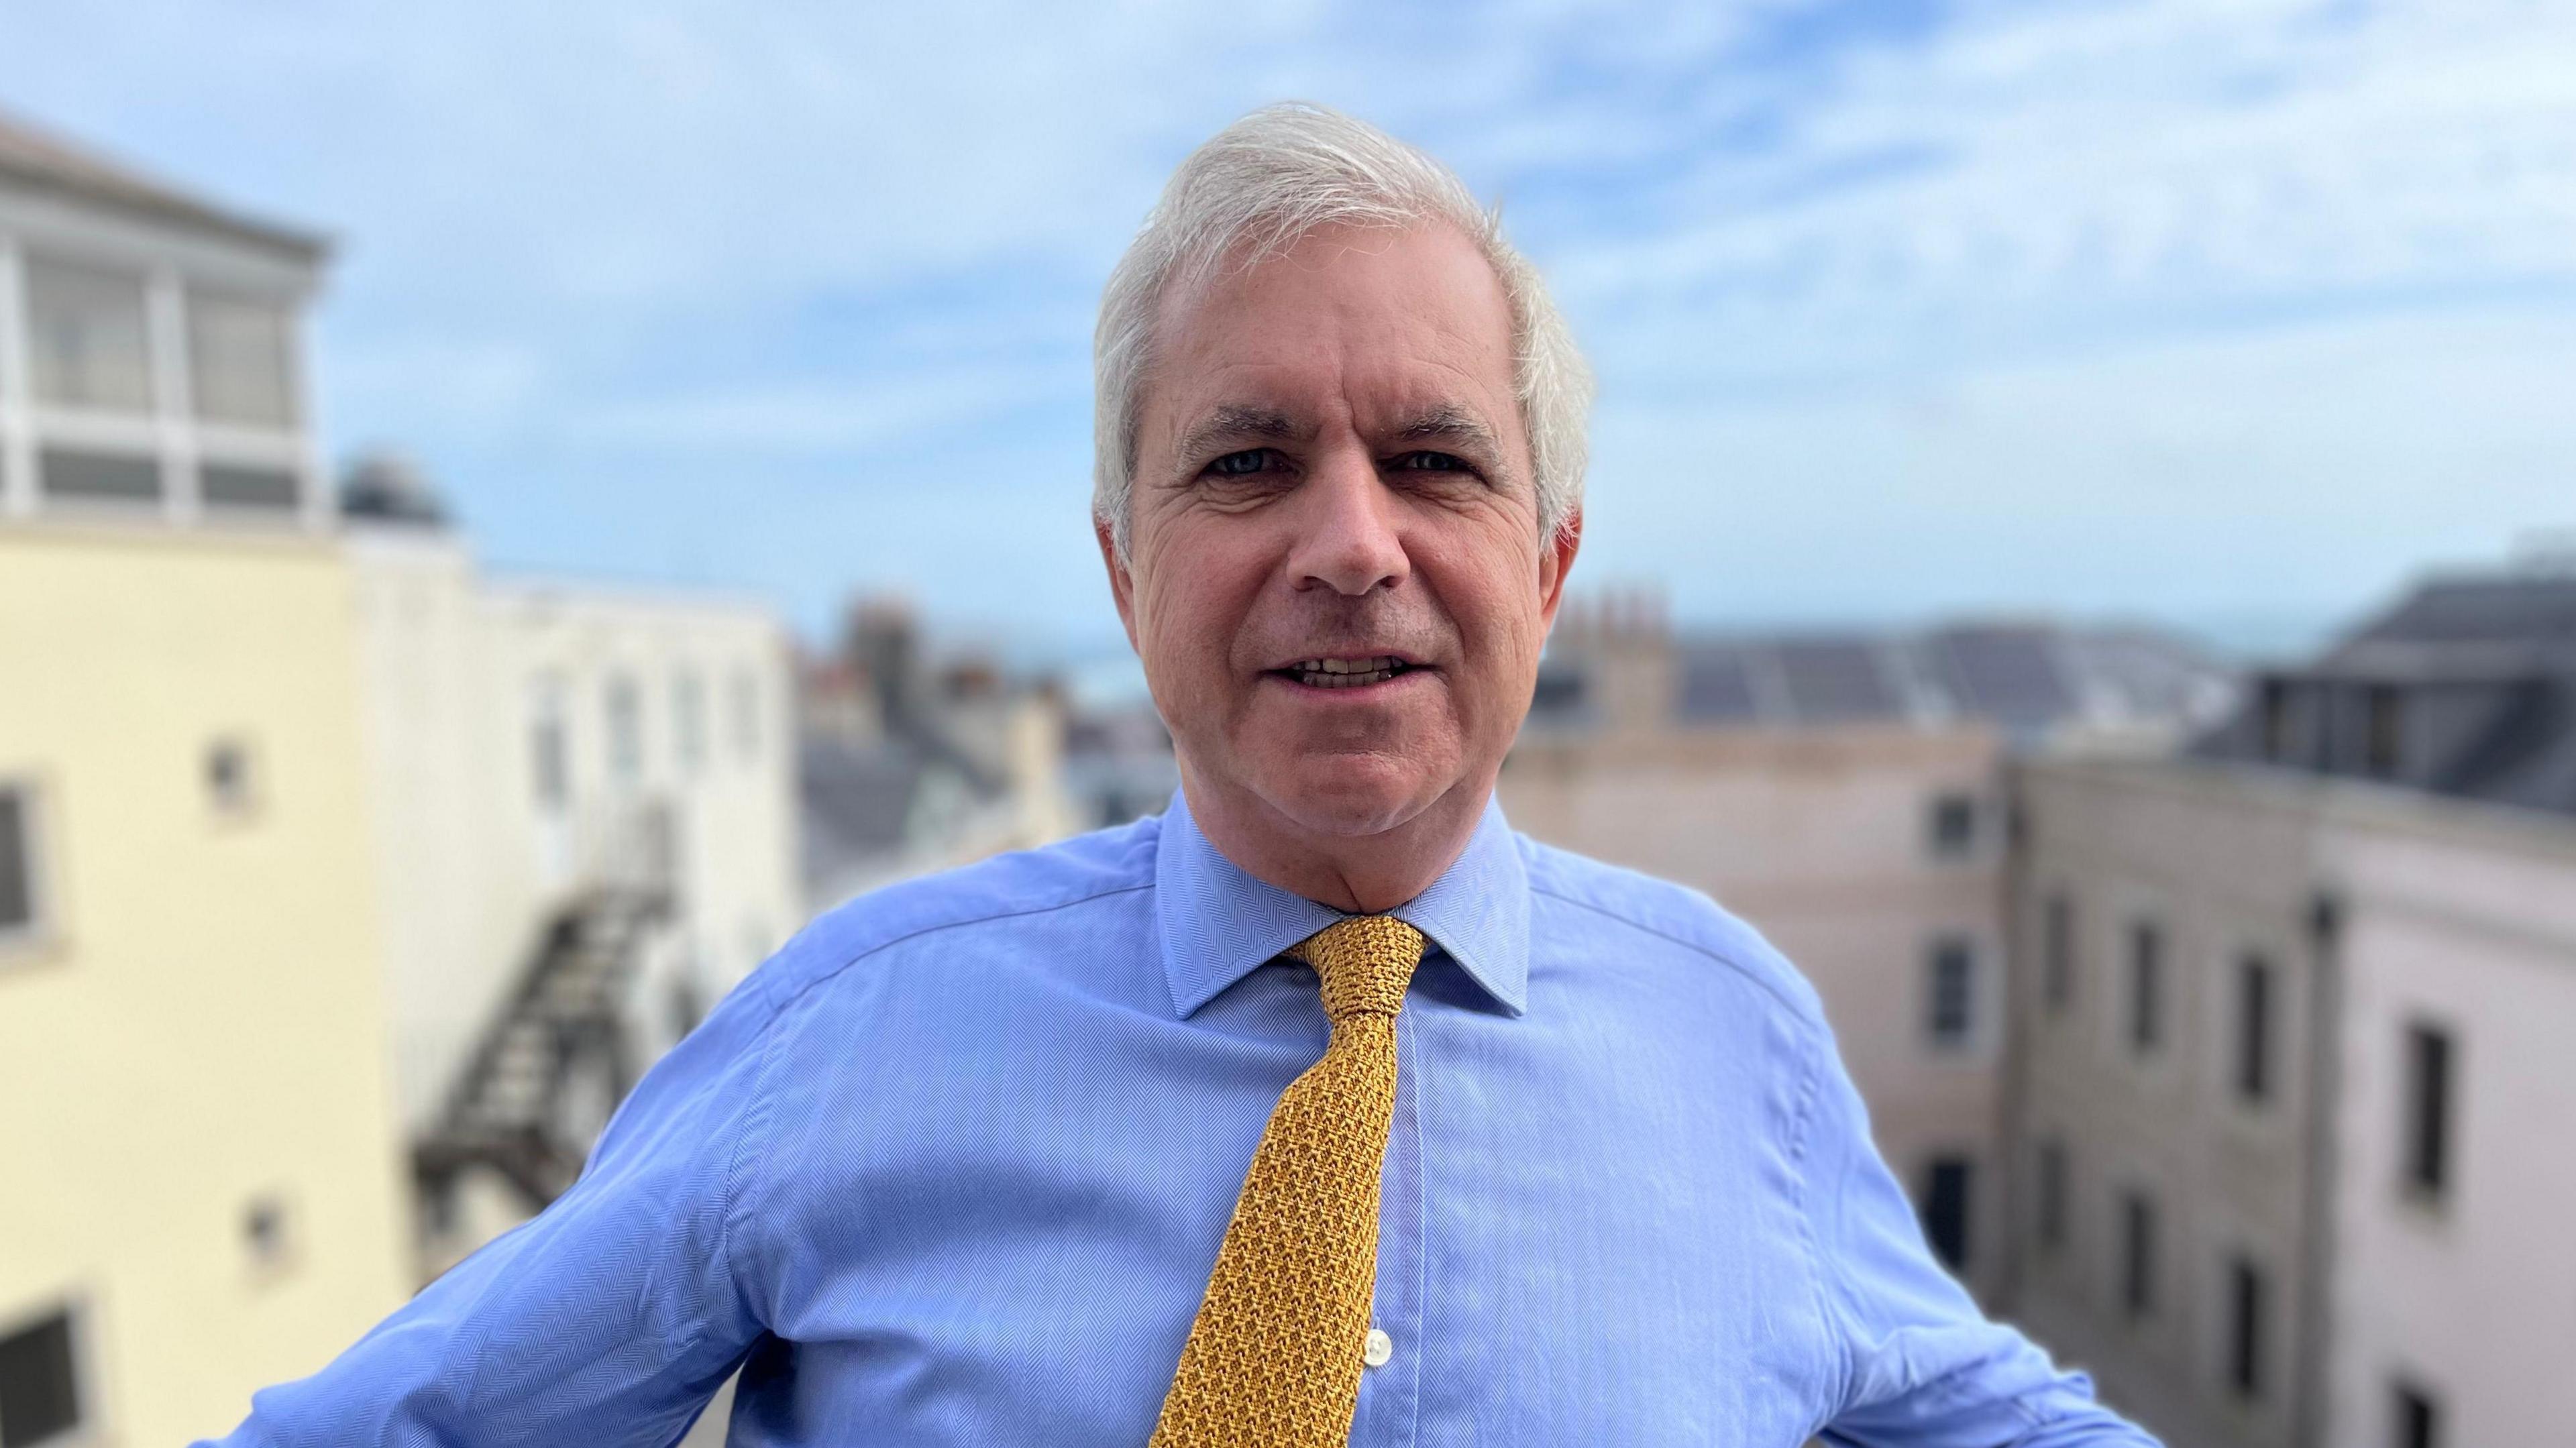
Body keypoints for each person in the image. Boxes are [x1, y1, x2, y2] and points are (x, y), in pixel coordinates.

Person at [204, 103, 2158, 1447]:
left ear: (1550, 571)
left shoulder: (1739, 1042)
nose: (1351, 542)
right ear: (1124, 570)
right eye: (1245, 462)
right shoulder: (849, 1038)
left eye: (1435, 459)